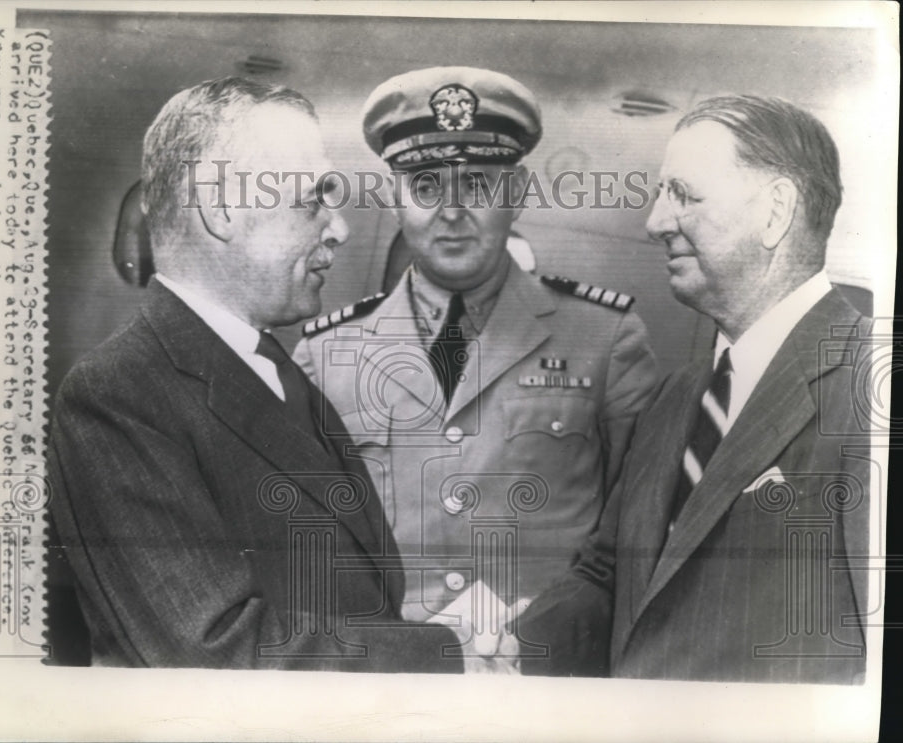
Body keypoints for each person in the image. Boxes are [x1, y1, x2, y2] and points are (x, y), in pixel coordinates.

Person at [47, 76, 477, 672]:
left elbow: (347, 599)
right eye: (313, 199)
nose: (340, 227)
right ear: (221, 208)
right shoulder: (118, 394)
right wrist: (447, 658)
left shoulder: (271, 367)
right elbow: (211, 653)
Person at [293, 67, 658, 651]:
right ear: (395, 200)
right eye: (427, 186)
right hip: (390, 676)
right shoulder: (324, 354)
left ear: (515, 195)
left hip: (542, 673)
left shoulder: (605, 338)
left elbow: (637, 538)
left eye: (479, 185)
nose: (453, 210)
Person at [518, 94, 872, 683]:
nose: (655, 221)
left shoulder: (871, 388)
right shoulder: (678, 394)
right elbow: (613, 574)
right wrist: (506, 646)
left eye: (682, 194)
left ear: (775, 211)